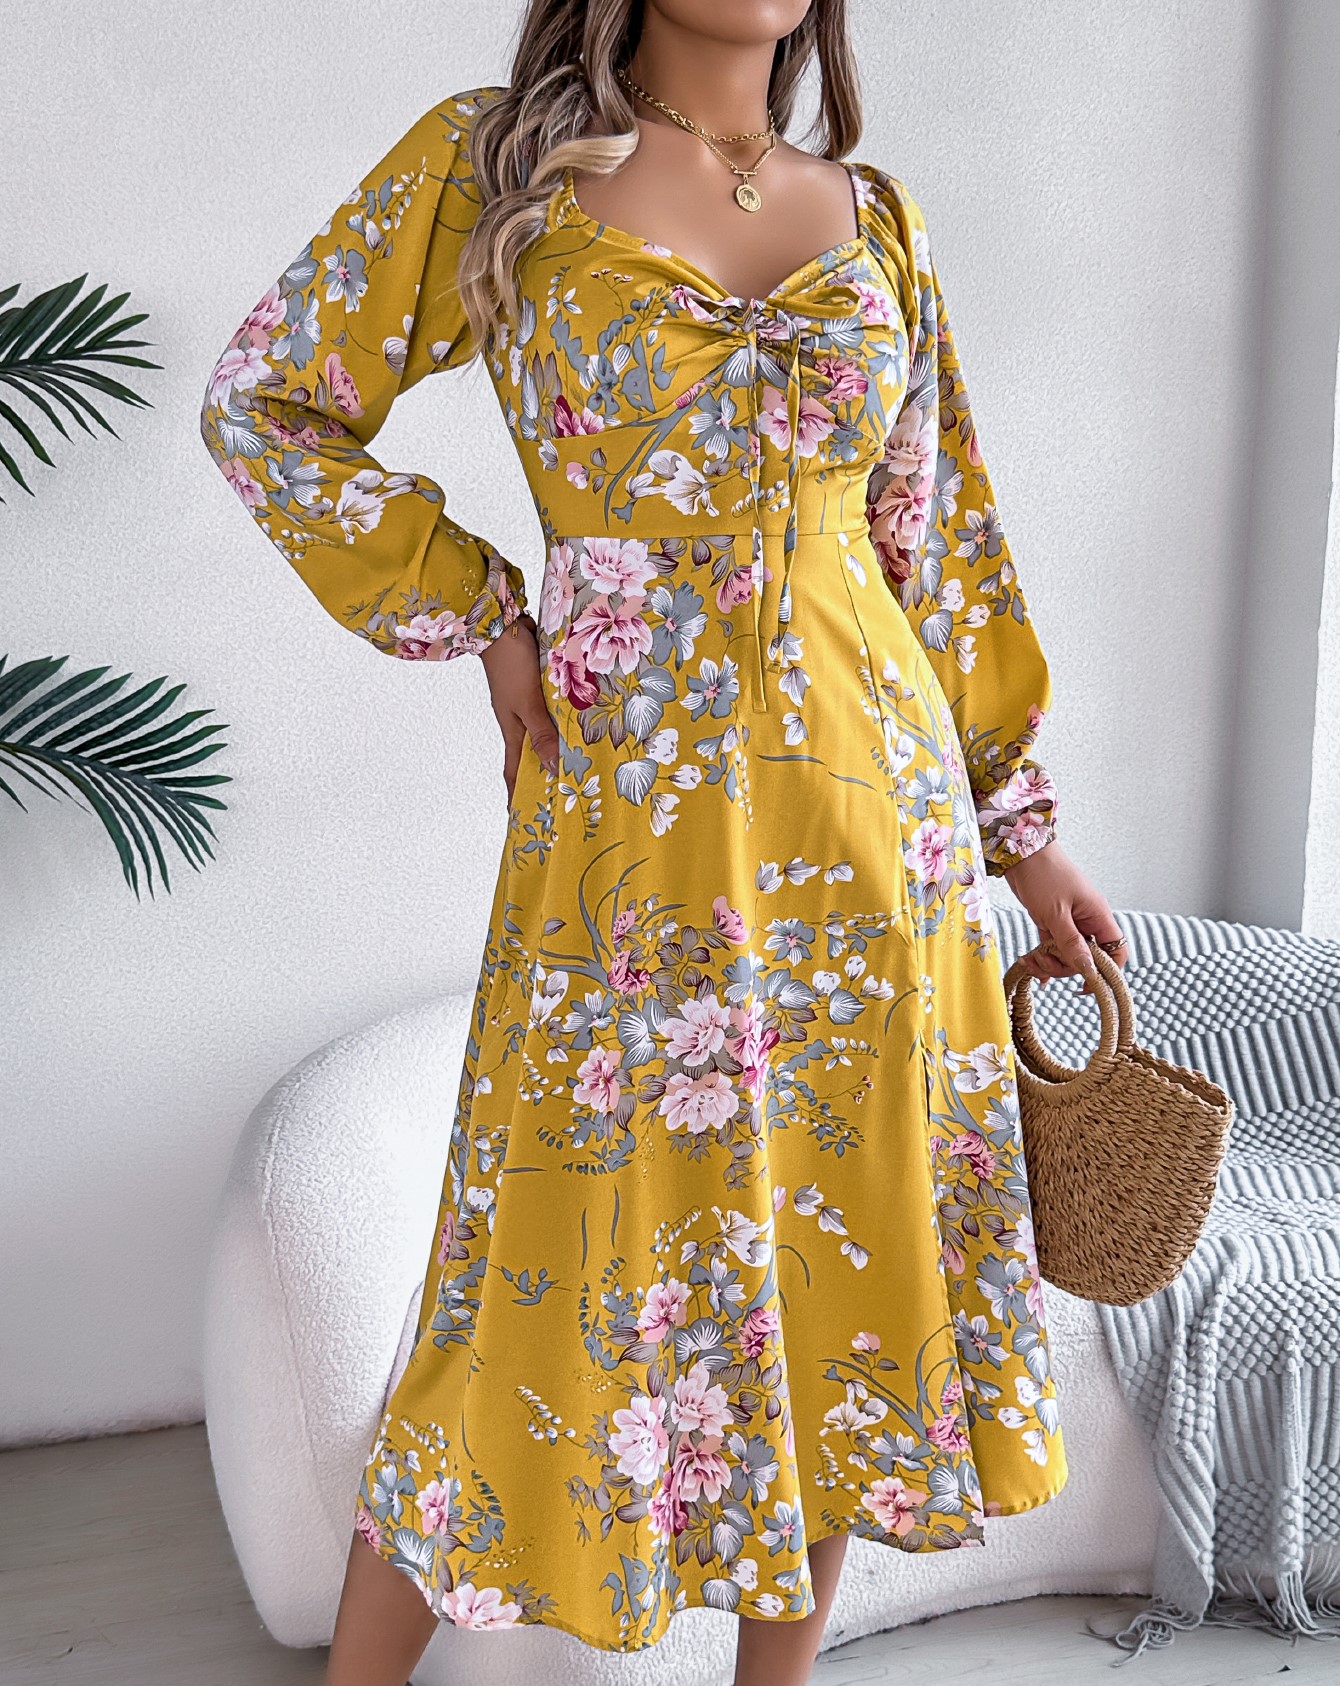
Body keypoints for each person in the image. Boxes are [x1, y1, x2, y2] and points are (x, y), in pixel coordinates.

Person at [200, 3, 1128, 1682]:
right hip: (626, 848)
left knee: (841, 1289)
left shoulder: (876, 221)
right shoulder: (496, 168)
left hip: (880, 844)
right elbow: (266, 401)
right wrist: (482, 609)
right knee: (520, 1279)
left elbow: (938, 539)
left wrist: (1023, 826)